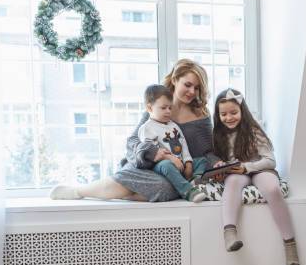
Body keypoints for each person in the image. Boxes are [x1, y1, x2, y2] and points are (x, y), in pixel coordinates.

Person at [49, 59, 219, 202]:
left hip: (178, 172)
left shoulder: (201, 115)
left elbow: (207, 152)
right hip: (150, 166)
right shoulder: (158, 108)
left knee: (166, 187)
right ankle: (79, 192)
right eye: (187, 85)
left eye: (196, 88)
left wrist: (215, 163)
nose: (192, 92)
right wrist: (155, 154)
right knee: (157, 182)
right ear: (175, 80)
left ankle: (112, 193)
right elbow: (133, 141)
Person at [212, 88, 300, 265]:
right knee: (233, 182)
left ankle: (290, 244)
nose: (229, 117)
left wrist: (247, 167)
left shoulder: (253, 130)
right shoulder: (218, 135)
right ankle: (229, 232)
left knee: (273, 190)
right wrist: (222, 167)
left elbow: (270, 160)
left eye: (234, 113)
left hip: (259, 169)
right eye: (224, 114)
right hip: (237, 173)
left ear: (242, 111)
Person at [137, 84, 206, 202]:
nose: (168, 111)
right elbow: (153, 151)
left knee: (202, 161)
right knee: (166, 165)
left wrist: (188, 162)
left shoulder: (173, 125)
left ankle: (195, 182)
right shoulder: (147, 128)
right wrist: (171, 159)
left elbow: (183, 144)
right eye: (163, 108)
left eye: (170, 108)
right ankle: (187, 191)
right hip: (160, 165)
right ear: (149, 108)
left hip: (180, 163)